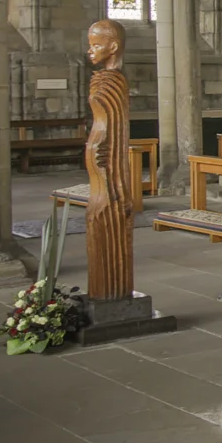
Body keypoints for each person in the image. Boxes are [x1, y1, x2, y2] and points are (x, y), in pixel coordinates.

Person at [84, 19, 133, 299]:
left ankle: (114, 290)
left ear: (113, 47)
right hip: (101, 176)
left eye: (96, 45)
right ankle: (106, 290)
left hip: (109, 175)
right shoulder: (103, 80)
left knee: (106, 212)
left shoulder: (113, 82)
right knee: (97, 213)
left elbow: (109, 128)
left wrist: (97, 151)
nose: (90, 51)